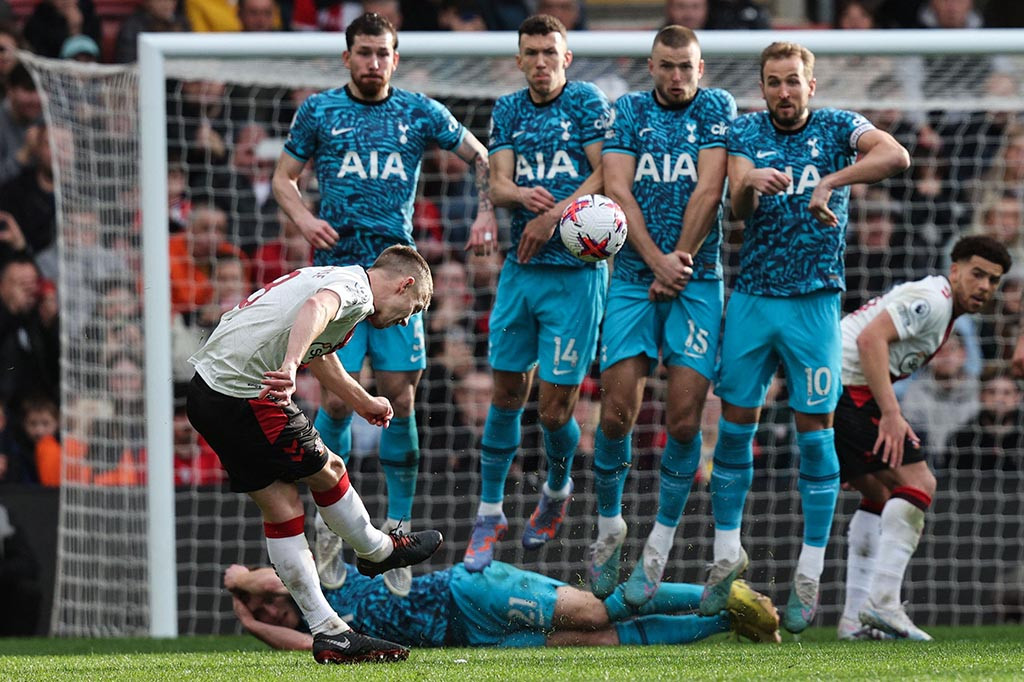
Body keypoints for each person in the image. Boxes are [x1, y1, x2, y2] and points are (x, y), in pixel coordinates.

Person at [272, 11, 497, 598]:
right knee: (338, 404)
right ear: (346, 57)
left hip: (396, 283)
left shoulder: (420, 110)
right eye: (364, 52)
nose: (374, 62)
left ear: (396, 59)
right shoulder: (320, 111)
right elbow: (283, 178)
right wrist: (302, 216)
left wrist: (485, 212)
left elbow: (482, 156)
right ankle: (329, 523)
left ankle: (395, 531)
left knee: (399, 399)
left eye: (383, 53)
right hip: (339, 278)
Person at [701, 41, 911, 635]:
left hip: (815, 303)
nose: (784, 92)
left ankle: (810, 570)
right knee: (735, 421)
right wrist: (751, 185)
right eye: (774, 82)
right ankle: (725, 551)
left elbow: (895, 156)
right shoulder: (744, 132)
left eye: (793, 81)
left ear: (810, 85)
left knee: (814, 433)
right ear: (762, 87)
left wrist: (830, 182)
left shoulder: (841, 128)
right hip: (754, 299)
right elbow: (736, 206)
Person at [186, 245, 444, 664]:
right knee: (330, 470)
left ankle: (329, 632)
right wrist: (289, 366)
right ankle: (379, 551)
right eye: (411, 308)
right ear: (405, 283)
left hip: (207, 393)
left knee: (283, 508)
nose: (407, 319)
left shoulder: (334, 276)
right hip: (250, 394)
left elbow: (318, 349)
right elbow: (315, 308)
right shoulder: (355, 289)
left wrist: (361, 399)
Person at [585, 25, 735, 606]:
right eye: (667, 67)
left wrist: (681, 262)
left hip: (698, 281)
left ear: (701, 68)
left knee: (682, 425)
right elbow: (618, 189)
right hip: (629, 279)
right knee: (617, 415)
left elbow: (709, 190)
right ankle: (608, 528)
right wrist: (653, 263)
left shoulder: (717, 106)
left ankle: (658, 549)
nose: (677, 78)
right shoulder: (628, 109)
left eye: (687, 67)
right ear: (651, 66)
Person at [461, 14, 611, 572]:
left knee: (553, 412)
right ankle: (489, 513)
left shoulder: (587, 102)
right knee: (504, 396)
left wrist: (553, 215)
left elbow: (607, 173)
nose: (542, 61)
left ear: (566, 57)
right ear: (519, 59)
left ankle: (555, 488)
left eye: (551, 51)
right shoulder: (508, 108)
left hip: (575, 276)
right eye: (532, 52)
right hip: (521, 272)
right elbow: (497, 182)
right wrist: (519, 195)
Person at [224, 521, 781, 650]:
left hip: (466, 592)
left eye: (262, 605)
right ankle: (725, 618)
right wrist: (249, 624)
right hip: (467, 639)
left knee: (592, 612)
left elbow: (256, 579)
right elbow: (301, 642)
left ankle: (720, 593)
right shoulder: (326, 635)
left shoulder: (314, 586)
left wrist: (242, 592)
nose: (267, 610)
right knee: (597, 642)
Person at [835, 236, 1010, 641]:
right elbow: (869, 340)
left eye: (994, 280)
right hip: (845, 389)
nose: (984, 286)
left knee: (881, 495)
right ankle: (883, 605)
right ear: (955, 270)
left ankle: (852, 620)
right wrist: (892, 414)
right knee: (919, 483)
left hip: (837, 388)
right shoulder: (933, 301)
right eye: (977, 274)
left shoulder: (945, 310)